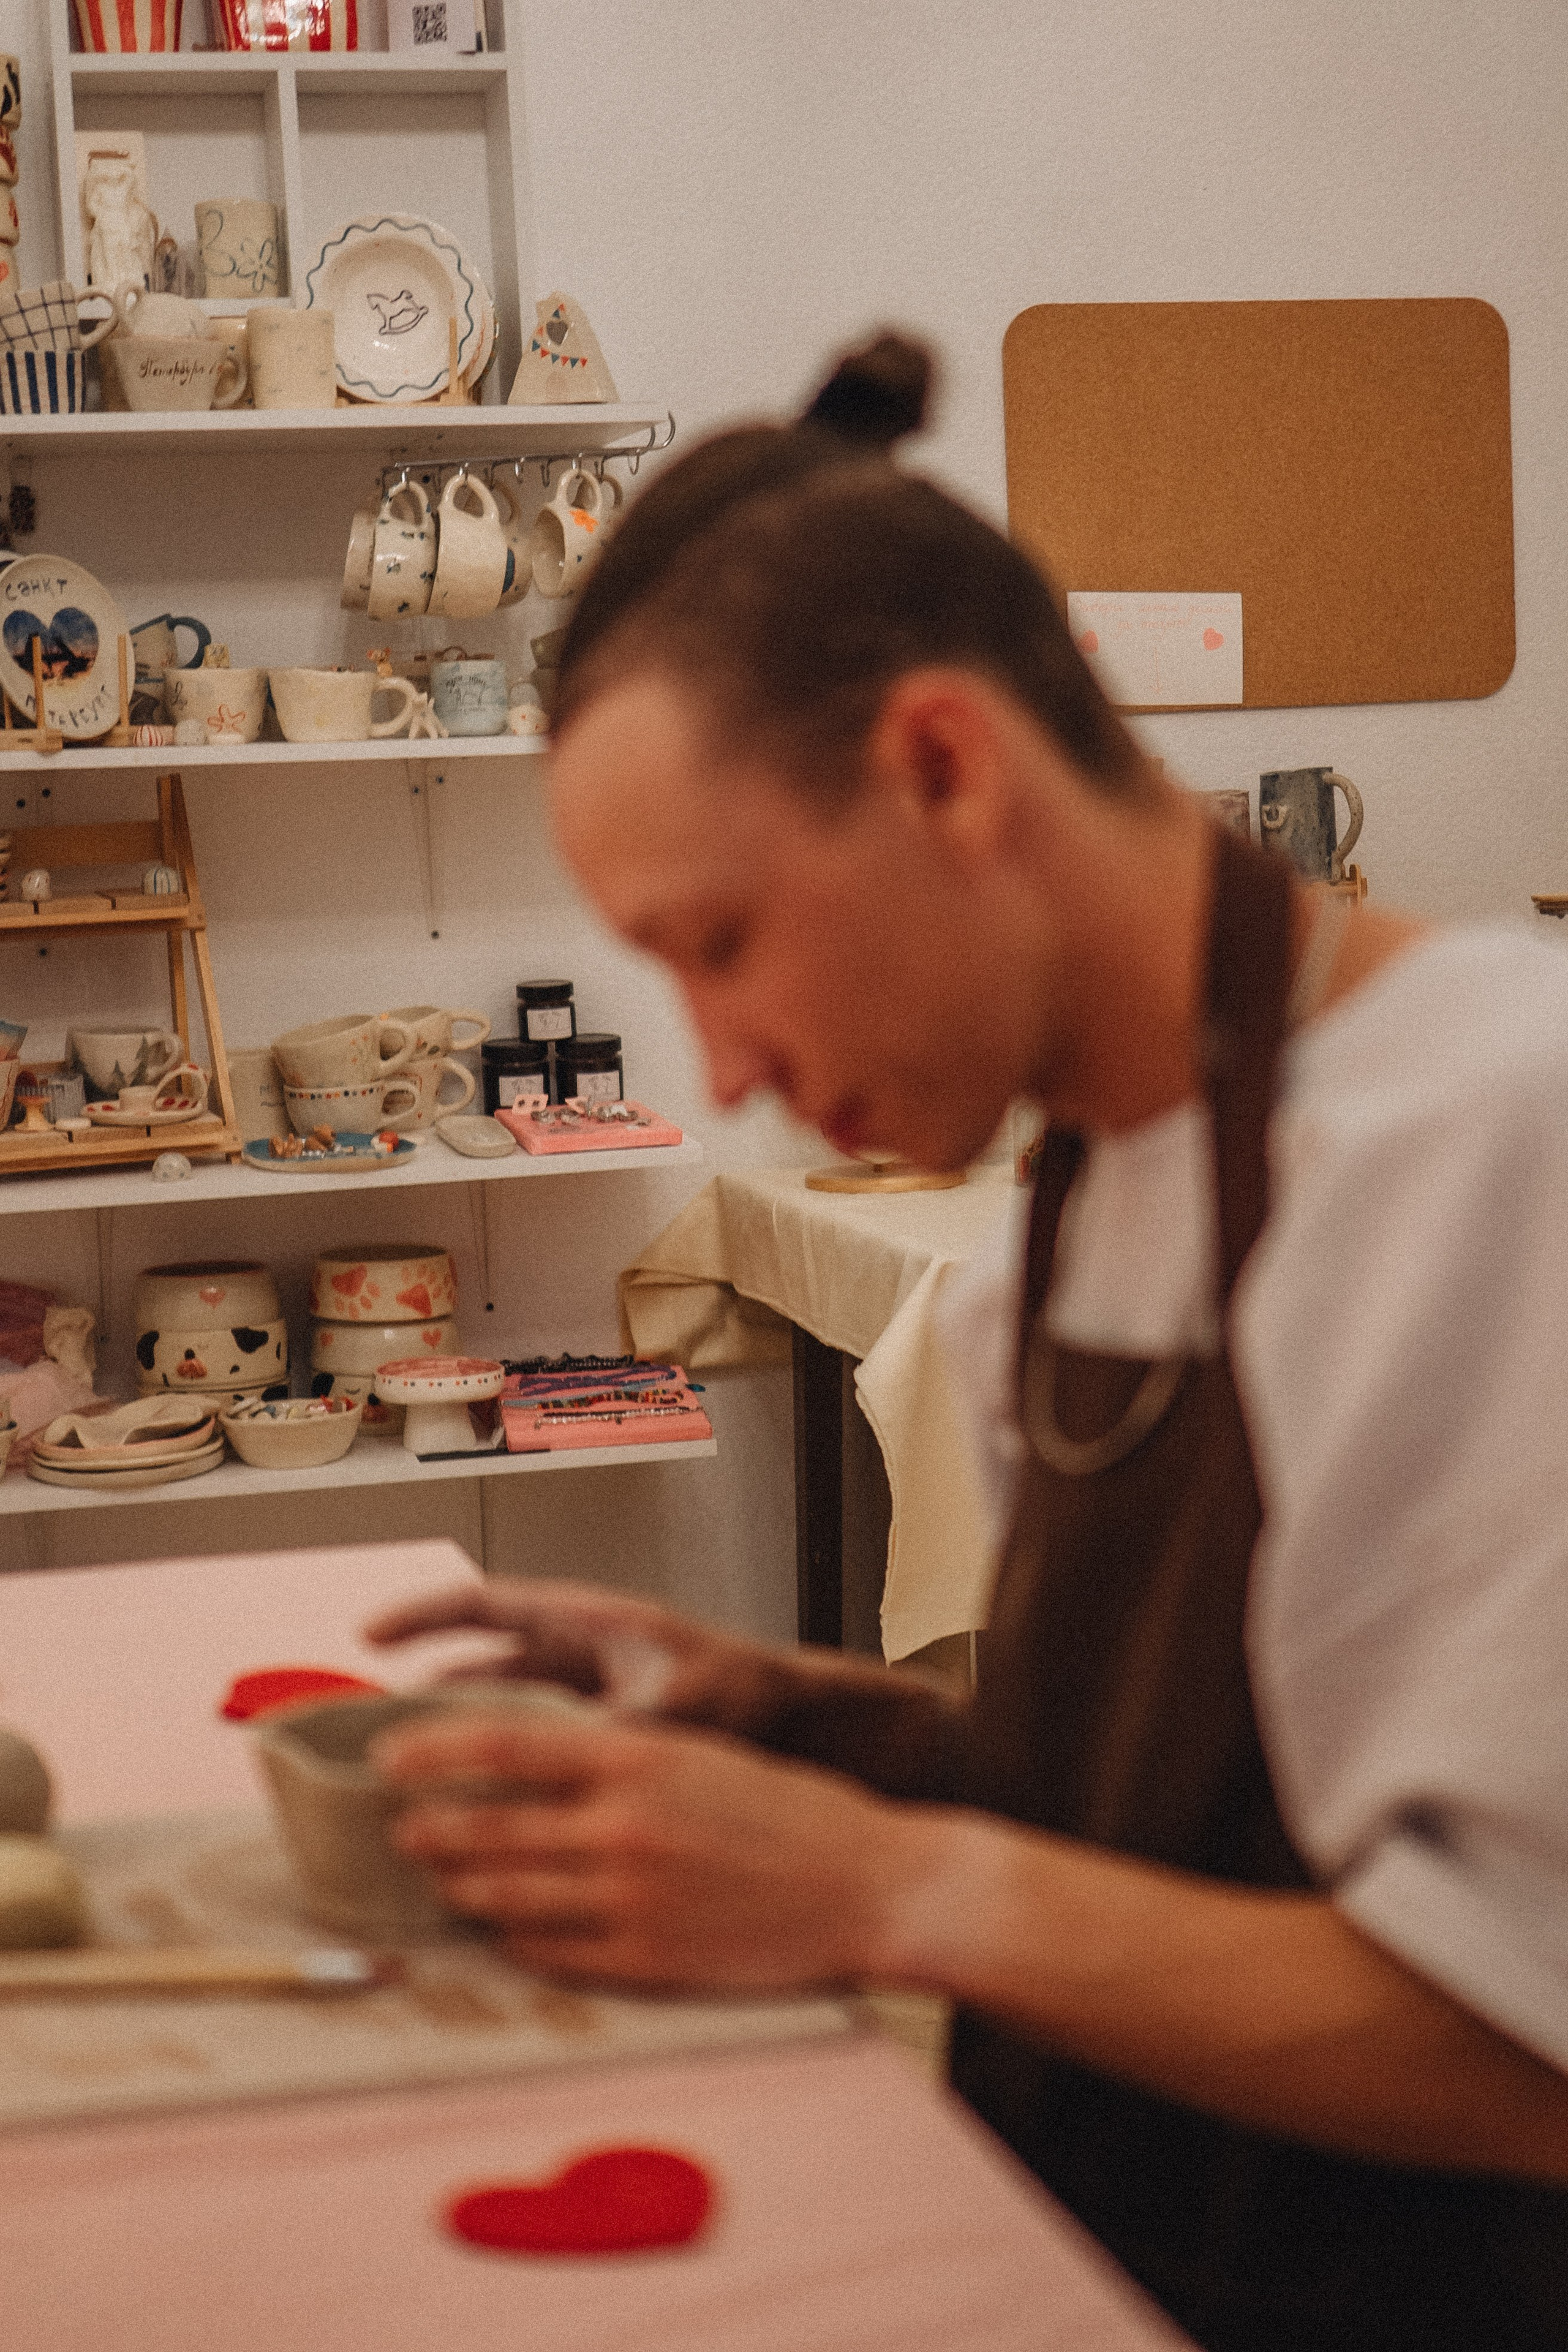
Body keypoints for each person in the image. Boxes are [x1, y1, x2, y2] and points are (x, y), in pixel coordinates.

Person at [367, 337, 1568, 2351]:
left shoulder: (1506, 1142)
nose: (728, 1065)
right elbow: (1176, 1854)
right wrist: (813, 1732)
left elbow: (1520, 2041)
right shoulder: (1060, 1225)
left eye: (721, 942)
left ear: (944, 767)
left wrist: (871, 1890)